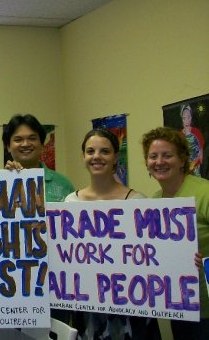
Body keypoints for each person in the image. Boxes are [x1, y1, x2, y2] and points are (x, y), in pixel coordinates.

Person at [65, 129, 159, 339]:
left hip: (130, 307)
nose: (97, 156)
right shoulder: (70, 202)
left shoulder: (137, 202)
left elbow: (153, 256)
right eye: (90, 151)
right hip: (87, 306)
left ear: (116, 157)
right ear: (83, 156)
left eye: (105, 151)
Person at [142, 126, 209, 338]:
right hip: (179, 306)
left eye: (167, 155)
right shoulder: (153, 202)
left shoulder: (204, 192)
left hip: (206, 308)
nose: (159, 161)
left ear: (182, 160)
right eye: (153, 156)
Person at [3, 114, 74, 202]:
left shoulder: (64, 184)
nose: (25, 144)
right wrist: (8, 177)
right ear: (8, 147)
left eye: (32, 138)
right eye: (18, 140)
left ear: (42, 145)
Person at [180, 104, 205, 177]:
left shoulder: (196, 132)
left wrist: (196, 163)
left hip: (196, 166)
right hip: (184, 168)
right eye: (184, 118)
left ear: (191, 118)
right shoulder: (179, 135)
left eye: (188, 117)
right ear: (182, 119)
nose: (186, 121)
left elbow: (201, 151)